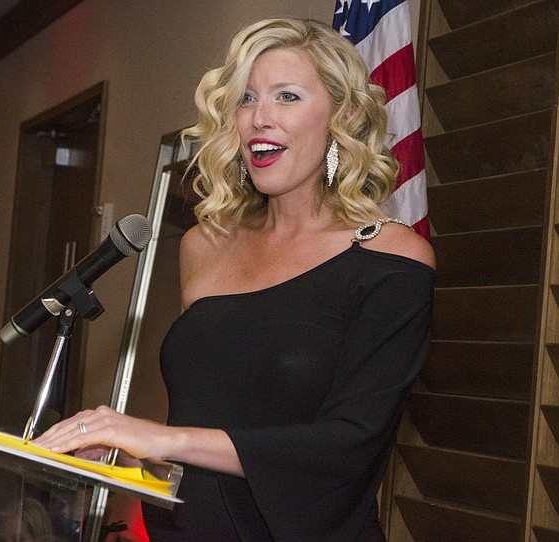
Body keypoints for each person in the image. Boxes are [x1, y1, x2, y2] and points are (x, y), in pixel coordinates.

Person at [33, 17, 435, 541]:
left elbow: (348, 447)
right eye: (246, 99)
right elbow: (210, 418)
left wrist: (158, 439)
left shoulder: (392, 258)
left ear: (345, 115)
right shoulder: (205, 246)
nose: (259, 118)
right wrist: (124, 449)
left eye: (286, 96)